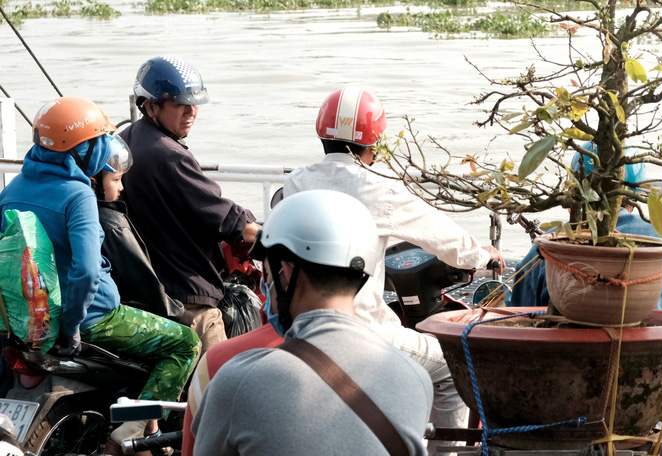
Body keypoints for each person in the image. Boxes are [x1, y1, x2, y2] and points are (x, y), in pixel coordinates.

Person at [283, 86, 506, 455]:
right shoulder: (380, 187)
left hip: (297, 325)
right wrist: (482, 257)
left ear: (323, 134)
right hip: (364, 331)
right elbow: (442, 236)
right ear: (374, 144)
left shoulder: (297, 182)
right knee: (452, 367)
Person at [0, 97, 201, 451]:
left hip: (29, 322)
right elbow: (87, 273)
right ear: (84, 150)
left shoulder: (13, 189)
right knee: (185, 343)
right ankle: (135, 432)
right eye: (98, 142)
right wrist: (72, 326)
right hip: (95, 318)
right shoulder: (77, 194)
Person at [191, 189, 433, 456]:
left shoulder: (237, 380)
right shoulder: (415, 379)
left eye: (269, 276)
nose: (267, 289)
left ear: (288, 272)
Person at [119, 56, 260, 354]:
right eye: (179, 104)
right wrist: (269, 233)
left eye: (195, 103)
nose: (191, 111)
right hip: (187, 296)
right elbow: (227, 220)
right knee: (219, 386)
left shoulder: (127, 140)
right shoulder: (168, 154)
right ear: (150, 105)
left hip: (144, 288)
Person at [508, 145, 662, 310]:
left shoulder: (549, 244)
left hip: (563, 344)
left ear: (575, 188)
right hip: (646, 341)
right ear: (636, 190)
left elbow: (522, 308)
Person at [89, 135, 191, 324]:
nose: (121, 187)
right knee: (188, 341)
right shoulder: (110, 223)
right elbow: (144, 283)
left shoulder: (70, 208)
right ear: (94, 182)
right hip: (111, 313)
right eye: (116, 179)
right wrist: (181, 315)